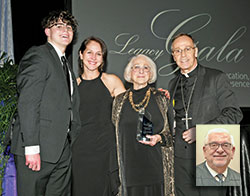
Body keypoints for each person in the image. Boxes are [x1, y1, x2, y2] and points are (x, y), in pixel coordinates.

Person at [10, 10, 80, 196]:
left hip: (61, 150)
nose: (65, 30)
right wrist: (31, 147)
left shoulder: (65, 65)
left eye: (69, 26)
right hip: (37, 149)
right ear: (47, 31)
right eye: (58, 26)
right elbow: (28, 102)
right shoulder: (39, 56)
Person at [167, 33, 243, 196]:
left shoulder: (216, 77)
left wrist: (201, 131)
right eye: (177, 51)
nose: (183, 54)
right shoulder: (172, 84)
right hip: (180, 158)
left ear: (196, 51)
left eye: (187, 49)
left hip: (212, 155)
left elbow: (234, 113)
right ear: (173, 56)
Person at [112, 54, 175, 196]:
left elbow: (172, 135)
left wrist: (159, 138)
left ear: (151, 73)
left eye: (146, 68)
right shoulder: (119, 101)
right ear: (129, 72)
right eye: (136, 67)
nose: (141, 71)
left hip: (156, 172)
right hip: (129, 174)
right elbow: (113, 133)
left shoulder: (161, 99)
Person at [71, 36, 125, 196]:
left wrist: (154, 95)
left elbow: (131, 107)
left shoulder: (111, 81)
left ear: (103, 58)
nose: (93, 58)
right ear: (81, 55)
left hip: (105, 151)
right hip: (80, 152)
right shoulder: (73, 86)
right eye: (89, 52)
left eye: (99, 54)